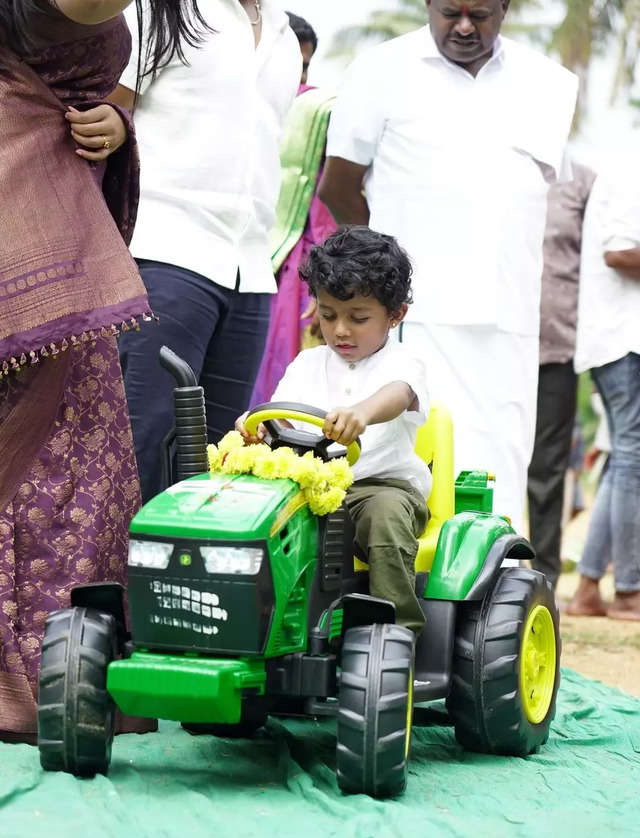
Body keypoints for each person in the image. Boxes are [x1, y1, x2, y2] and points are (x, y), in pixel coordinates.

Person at [0, 0, 205, 741]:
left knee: (85, 472)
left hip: (62, 248)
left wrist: (116, 125)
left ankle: (69, 680)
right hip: (19, 231)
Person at [319, 0, 577, 528]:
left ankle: (497, 588)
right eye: (450, 11)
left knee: (501, 459)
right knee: (413, 455)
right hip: (415, 314)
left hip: (509, 312)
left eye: (479, 13)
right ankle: (413, 590)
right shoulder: (378, 69)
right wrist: (384, 278)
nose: (463, 26)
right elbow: (338, 187)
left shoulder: (549, 83)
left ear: (505, 8)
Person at [112, 0, 301, 503]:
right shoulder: (164, 8)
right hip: (165, 250)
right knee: (145, 442)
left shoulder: (284, 36)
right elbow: (109, 109)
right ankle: (123, 579)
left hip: (251, 272)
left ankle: (193, 582)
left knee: (219, 460)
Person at [237, 227, 431, 634]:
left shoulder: (403, 363)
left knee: (386, 522)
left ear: (395, 315)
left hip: (377, 488)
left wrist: (363, 411)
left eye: (358, 318)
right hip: (309, 488)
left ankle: (397, 632)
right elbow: (279, 415)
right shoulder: (307, 365)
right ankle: (263, 628)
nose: (341, 329)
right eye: (328, 315)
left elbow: (398, 394)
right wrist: (254, 427)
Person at [570, 87, 640, 622]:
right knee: (637, 462)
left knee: (625, 465)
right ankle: (630, 592)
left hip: (619, 337)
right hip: (631, 339)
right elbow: (619, 250)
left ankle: (590, 590)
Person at [250, 10, 336, 406]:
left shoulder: (317, 111)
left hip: (296, 268)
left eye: (305, 68)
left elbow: (324, 205)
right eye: (294, 69)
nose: (300, 82)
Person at [527, 163, 595, 588]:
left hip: (557, 343)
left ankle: (543, 576)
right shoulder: (494, 162)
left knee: (549, 468)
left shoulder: (583, 182)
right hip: (494, 343)